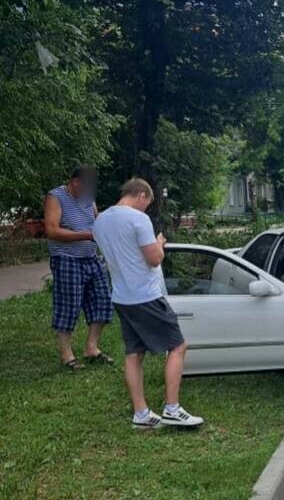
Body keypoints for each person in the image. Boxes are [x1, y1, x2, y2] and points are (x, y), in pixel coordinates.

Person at [93, 178, 203, 429]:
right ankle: (172, 408)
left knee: (134, 354)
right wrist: (160, 245)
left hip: (121, 296)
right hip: (145, 295)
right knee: (178, 345)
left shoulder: (100, 221)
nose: (146, 209)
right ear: (141, 195)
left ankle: (141, 414)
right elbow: (154, 259)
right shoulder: (138, 219)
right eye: (147, 204)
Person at [44, 165, 114, 370]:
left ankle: (91, 348)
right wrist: (85, 235)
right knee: (69, 305)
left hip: (91, 257)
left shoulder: (88, 198)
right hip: (66, 258)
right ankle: (67, 355)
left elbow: (98, 222)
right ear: (75, 182)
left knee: (103, 299)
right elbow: (52, 230)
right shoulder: (56, 197)